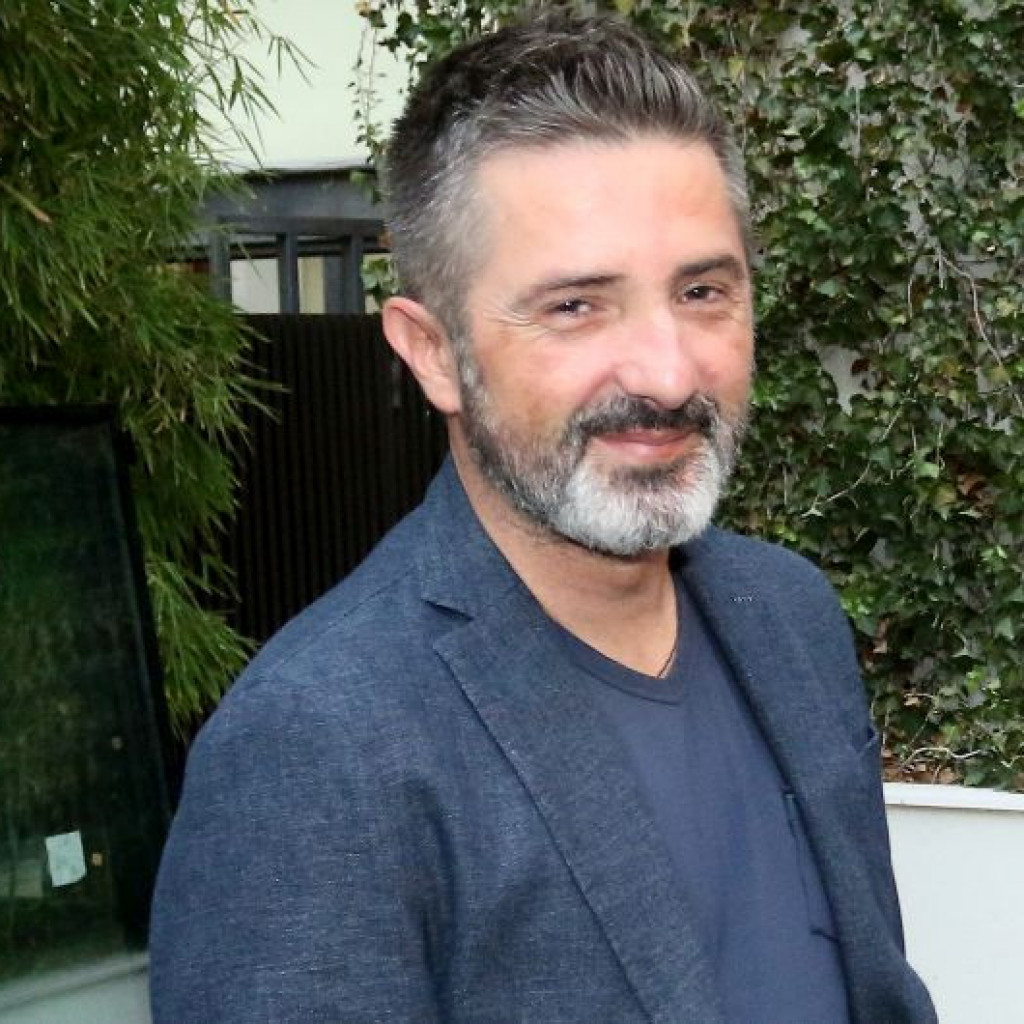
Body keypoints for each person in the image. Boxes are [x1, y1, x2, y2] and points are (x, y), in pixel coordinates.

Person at [149, 12, 937, 1023]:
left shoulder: (790, 617)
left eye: (702, 290)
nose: (667, 373)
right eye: (575, 306)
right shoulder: (315, 751)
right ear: (433, 353)